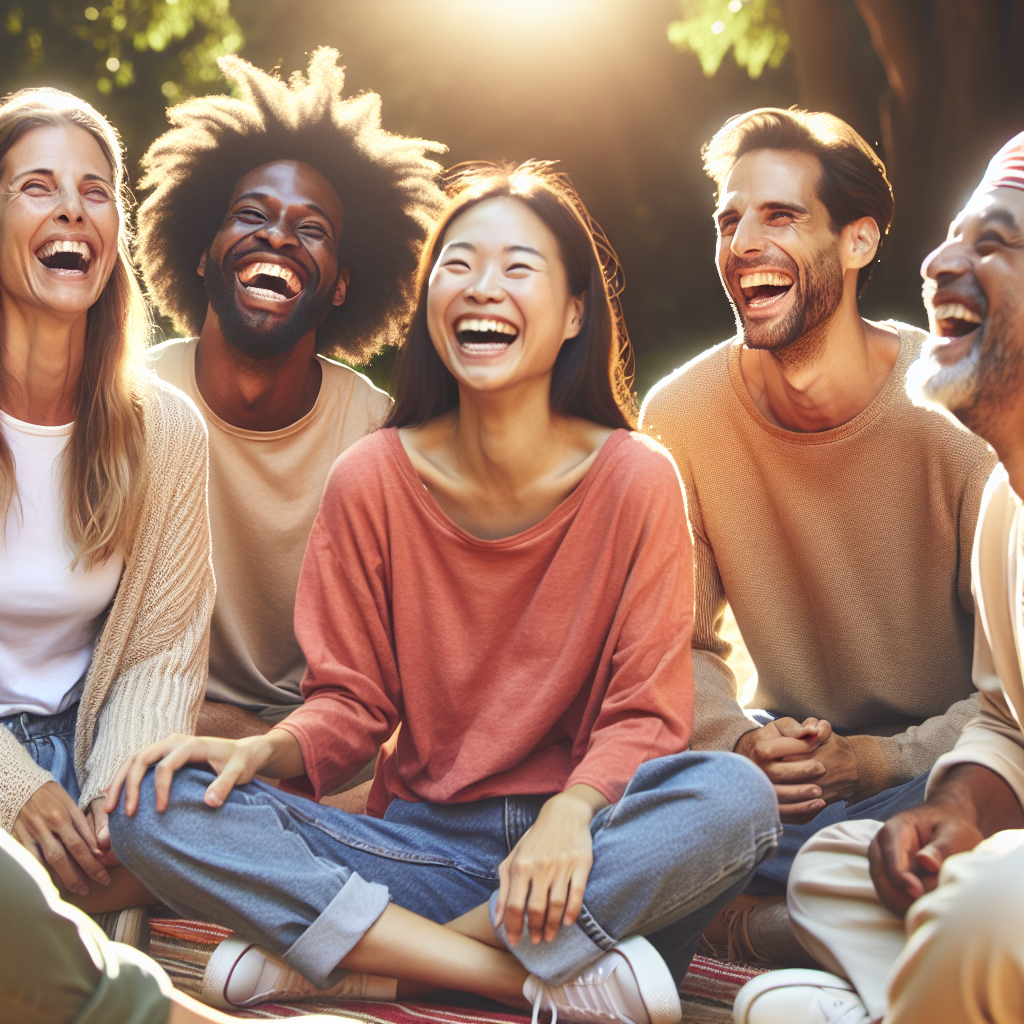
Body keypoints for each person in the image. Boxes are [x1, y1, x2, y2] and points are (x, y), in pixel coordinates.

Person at [107, 161, 781, 1022]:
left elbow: (646, 715)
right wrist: (258, 755)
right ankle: (522, 975)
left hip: (587, 852)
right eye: (458, 266)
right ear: (430, 302)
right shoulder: (372, 478)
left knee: (733, 797)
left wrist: (571, 815)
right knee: (150, 810)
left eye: (518, 268)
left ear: (576, 310)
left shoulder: (636, 479)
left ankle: (366, 963)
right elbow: (350, 707)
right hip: (411, 849)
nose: (482, 288)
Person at [639, 108, 996, 961]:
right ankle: (820, 918)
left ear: (860, 242)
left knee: (955, 857)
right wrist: (740, 744)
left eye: (781, 216)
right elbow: (673, 644)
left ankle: (750, 926)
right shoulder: (679, 416)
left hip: (938, 774)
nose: (743, 243)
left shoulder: (958, 415)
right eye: (730, 220)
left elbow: (1012, 701)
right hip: (777, 786)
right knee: (608, 790)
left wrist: (879, 760)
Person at [733, 131, 1024, 1024]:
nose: (938, 262)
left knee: (982, 908)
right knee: (839, 864)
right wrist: (959, 812)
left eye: (995, 242)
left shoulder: (957, 457)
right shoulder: (1009, 507)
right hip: (876, 806)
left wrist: (889, 767)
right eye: (950, 237)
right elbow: (1010, 725)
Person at [140, 49, 444, 764]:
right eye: (251, 214)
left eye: (312, 229)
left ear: (340, 286)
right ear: (203, 253)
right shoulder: (127, 403)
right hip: (151, 725)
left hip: (323, 759)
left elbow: (407, 692)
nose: (277, 235)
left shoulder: (383, 439)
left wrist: (265, 749)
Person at [0, 89, 213, 941]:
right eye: (37, 187)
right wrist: (14, 792)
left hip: (87, 752)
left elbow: (163, 651)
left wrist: (117, 804)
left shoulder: (164, 429)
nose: (72, 210)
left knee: (199, 816)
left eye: (95, 191)